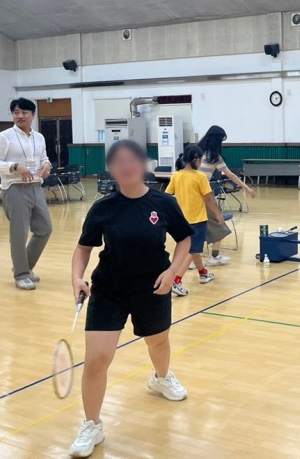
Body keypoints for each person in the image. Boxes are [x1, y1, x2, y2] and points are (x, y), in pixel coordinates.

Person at [68, 140, 193, 458]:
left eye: (132, 160)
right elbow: (83, 249)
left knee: (158, 341)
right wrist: (77, 277)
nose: (126, 167)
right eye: (118, 162)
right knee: (97, 359)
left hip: (153, 287)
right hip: (109, 289)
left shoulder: (164, 203)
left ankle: (161, 378)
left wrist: (174, 273)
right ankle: (92, 424)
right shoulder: (103, 208)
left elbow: (185, 240)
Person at [0, 97, 53, 290]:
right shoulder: (4, 137)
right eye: (16, 112)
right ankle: (21, 275)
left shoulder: (39, 137)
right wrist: (14, 166)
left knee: (45, 229)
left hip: (36, 186)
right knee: (19, 234)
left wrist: (46, 165)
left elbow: (44, 157)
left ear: (33, 115)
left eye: (24, 112)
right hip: (14, 188)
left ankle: (24, 266)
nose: (20, 116)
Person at [165, 145, 225, 295]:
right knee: (192, 251)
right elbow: (208, 199)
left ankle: (203, 273)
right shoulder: (200, 177)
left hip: (181, 220)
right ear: (196, 159)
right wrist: (218, 215)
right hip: (197, 220)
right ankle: (177, 280)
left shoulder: (176, 175)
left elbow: (167, 195)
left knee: (194, 249)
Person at [196, 125, 256, 265]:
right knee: (219, 222)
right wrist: (247, 188)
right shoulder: (214, 157)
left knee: (194, 225)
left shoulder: (195, 152)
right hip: (204, 193)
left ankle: (193, 259)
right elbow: (231, 175)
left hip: (188, 194)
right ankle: (214, 256)